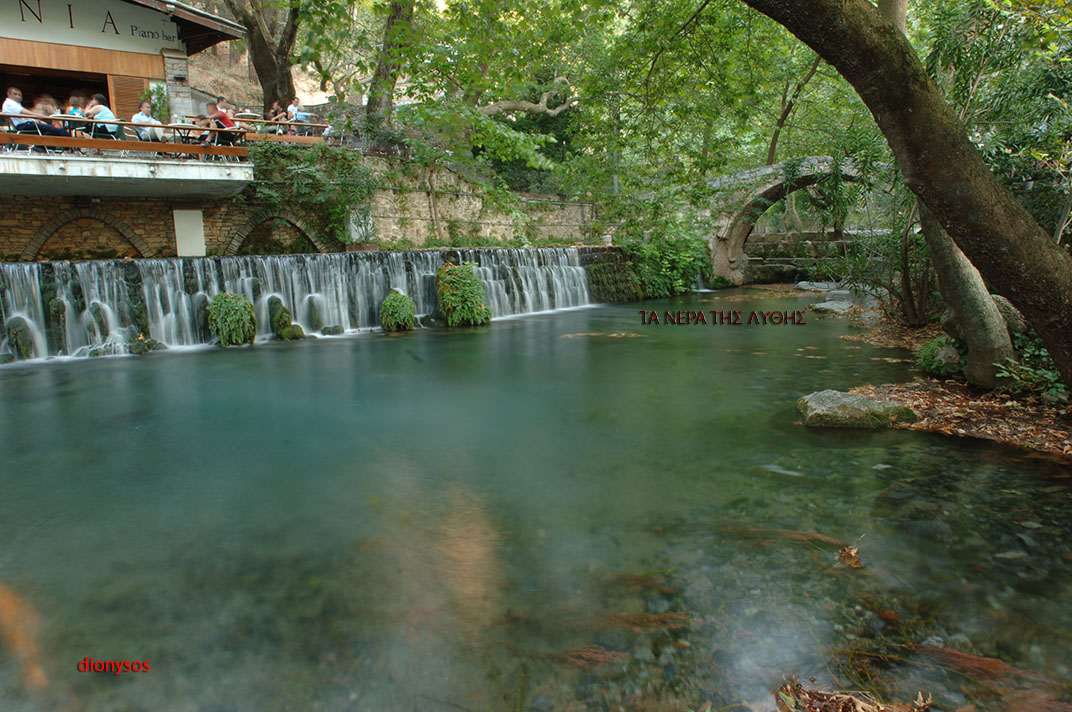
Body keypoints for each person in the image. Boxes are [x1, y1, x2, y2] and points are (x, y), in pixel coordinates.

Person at [2, 87, 70, 136]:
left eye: (19, 95)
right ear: (9, 94)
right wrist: (36, 115)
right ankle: (72, 146)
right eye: (15, 94)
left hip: (28, 124)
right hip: (24, 125)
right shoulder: (9, 103)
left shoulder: (15, 104)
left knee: (52, 132)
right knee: (58, 130)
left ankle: (40, 147)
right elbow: (22, 111)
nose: (18, 96)